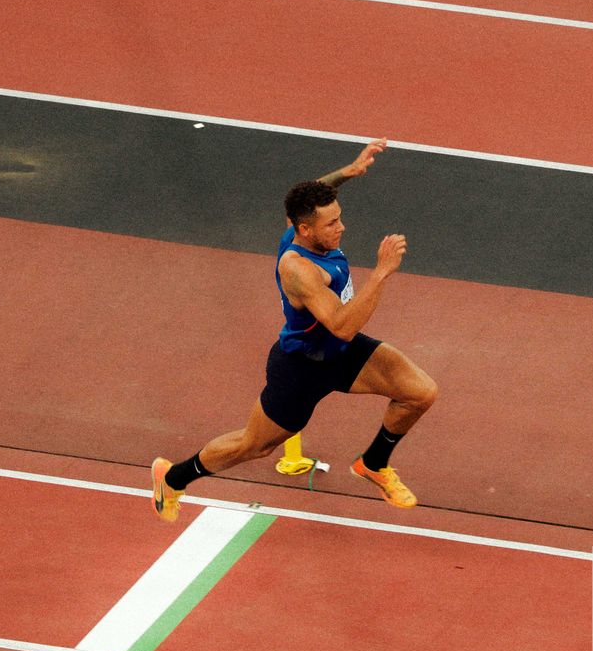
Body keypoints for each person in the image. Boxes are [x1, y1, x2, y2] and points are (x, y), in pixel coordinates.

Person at [151, 138, 436, 519]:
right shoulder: (299, 268)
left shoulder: (299, 227)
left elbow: (305, 199)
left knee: (420, 393)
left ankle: (373, 463)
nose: (342, 227)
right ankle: (172, 478)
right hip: (302, 368)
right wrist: (382, 272)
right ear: (306, 229)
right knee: (254, 446)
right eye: (332, 223)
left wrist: (346, 173)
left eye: (339, 217)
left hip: (340, 356)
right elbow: (342, 326)